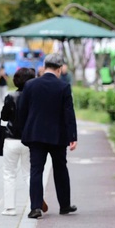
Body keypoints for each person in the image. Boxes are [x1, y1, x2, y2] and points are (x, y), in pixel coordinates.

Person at [17, 52, 77, 219]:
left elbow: (22, 110)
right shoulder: (63, 87)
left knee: (36, 170)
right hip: (58, 137)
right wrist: (73, 137)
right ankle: (64, 205)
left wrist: (25, 131)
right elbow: (69, 114)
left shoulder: (30, 85)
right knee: (60, 170)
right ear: (59, 69)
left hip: (35, 135)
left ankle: (35, 207)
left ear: (44, 66)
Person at [0, 67, 35, 216]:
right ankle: (36, 203)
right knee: (29, 174)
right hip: (30, 140)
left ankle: (10, 208)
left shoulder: (10, 96)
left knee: (9, 174)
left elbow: (4, 117)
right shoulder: (35, 97)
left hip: (11, 139)